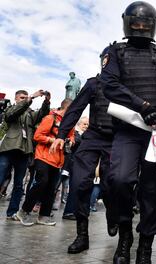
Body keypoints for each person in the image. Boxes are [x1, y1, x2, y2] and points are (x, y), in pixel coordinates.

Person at [99, 2, 156, 263]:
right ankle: (125, 235)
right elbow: (109, 84)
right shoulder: (115, 51)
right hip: (128, 129)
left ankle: (145, 246)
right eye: (136, 23)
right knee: (119, 180)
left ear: (154, 25)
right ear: (127, 22)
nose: (141, 27)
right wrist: (141, 106)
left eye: (146, 23)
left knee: (153, 191)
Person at [50, 70, 115, 253]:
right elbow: (76, 108)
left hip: (116, 139)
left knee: (111, 183)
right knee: (79, 183)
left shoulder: (127, 83)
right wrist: (62, 134)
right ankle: (82, 235)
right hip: (93, 136)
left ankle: (112, 212)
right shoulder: (94, 83)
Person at [16, 98, 73, 226]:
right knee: (42, 182)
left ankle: (44, 216)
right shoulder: (50, 118)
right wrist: (53, 140)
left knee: (52, 188)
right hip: (43, 156)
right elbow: (37, 136)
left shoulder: (69, 123)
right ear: (67, 109)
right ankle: (24, 211)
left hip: (58, 160)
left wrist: (71, 140)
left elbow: (71, 137)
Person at [0, 89, 50, 220]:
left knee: (18, 184)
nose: (24, 99)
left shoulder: (30, 113)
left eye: (25, 98)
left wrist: (46, 101)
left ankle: (12, 213)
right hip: (8, 148)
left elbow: (42, 114)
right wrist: (30, 98)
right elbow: (11, 115)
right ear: (16, 98)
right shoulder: (10, 109)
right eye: (22, 98)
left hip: (24, 151)